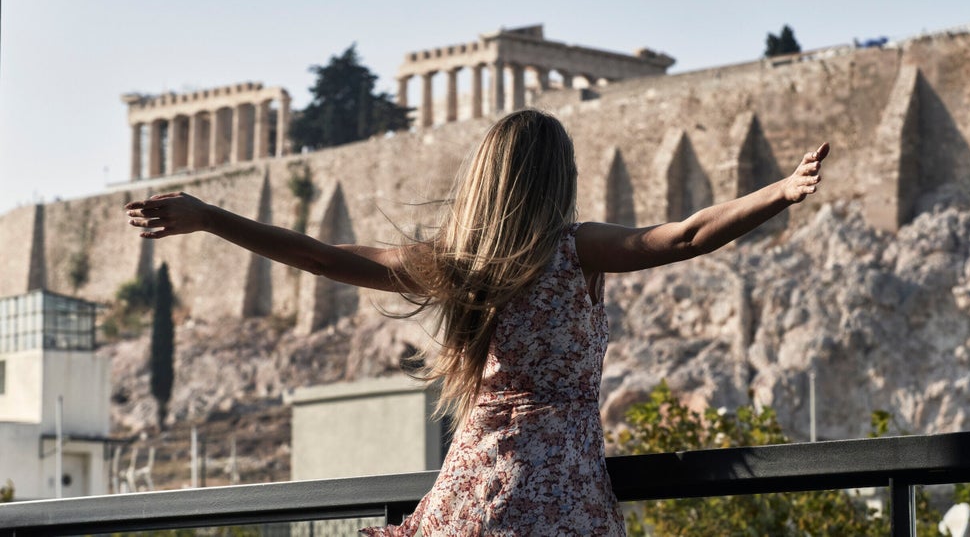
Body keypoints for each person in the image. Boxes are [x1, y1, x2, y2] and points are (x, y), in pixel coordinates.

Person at [125, 109, 829, 536]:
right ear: (556, 179)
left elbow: (323, 256)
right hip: (558, 502)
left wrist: (211, 215)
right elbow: (682, 235)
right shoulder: (575, 250)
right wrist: (781, 191)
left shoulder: (461, 265)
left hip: (472, 492)